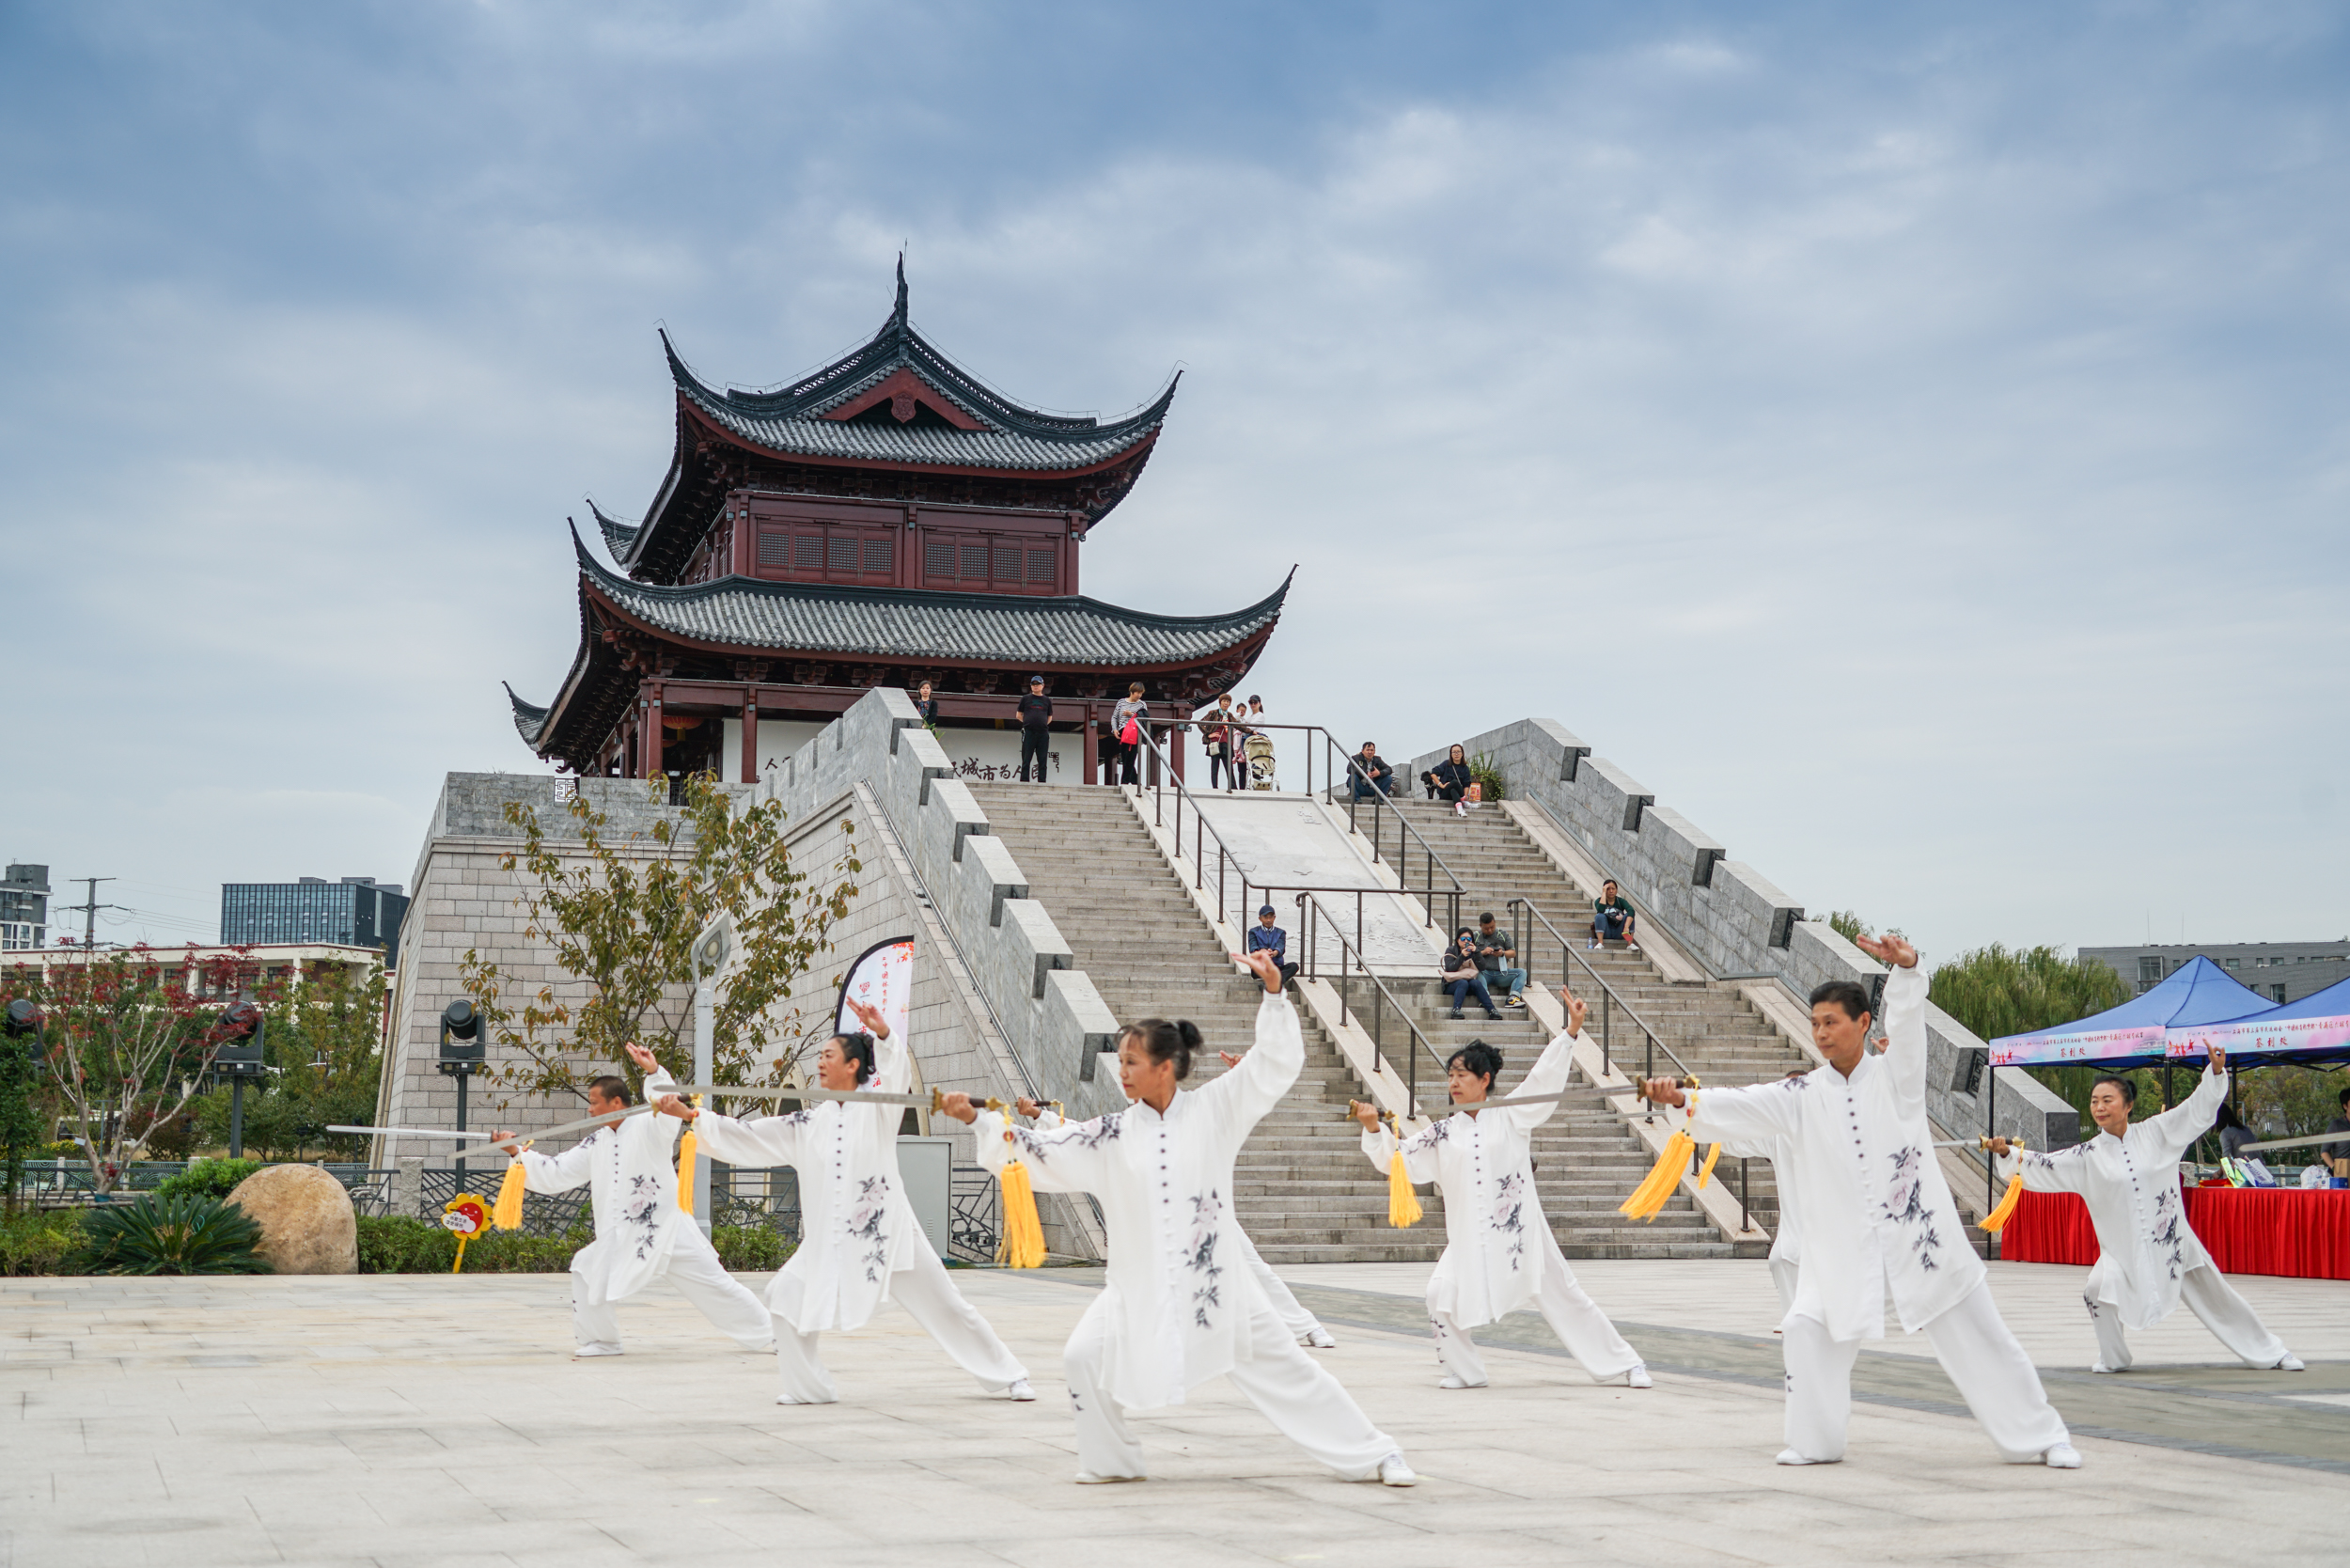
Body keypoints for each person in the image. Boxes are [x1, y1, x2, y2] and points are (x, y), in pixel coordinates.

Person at [939, 949, 1416, 1487]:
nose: (1121, 1073)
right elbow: (1042, 1149)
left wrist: (1275, 996)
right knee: (1081, 1358)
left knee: (1289, 1372)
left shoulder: (1215, 1109)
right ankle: (1111, 1461)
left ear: (1165, 1068)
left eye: (1131, 1063)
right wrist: (981, 1122)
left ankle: (1376, 1453)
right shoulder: (1112, 1133)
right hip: (1136, 1286)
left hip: (1218, 1285)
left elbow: (1272, 1066)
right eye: (1120, 1063)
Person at [1642, 933, 2079, 1469]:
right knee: (1805, 1327)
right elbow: (1741, 1103)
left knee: (1982, 1335)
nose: (1822, 1033)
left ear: (1864, 1023)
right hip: (1843, 1253)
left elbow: (1911, 1031)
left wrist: (1909, 970)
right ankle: (1814, 1442)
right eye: (1816, 1023)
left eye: (1832, 1022)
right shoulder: (1800, 1095)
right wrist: (1683, 1099)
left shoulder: (1898, 1081)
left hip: (1923, 1242)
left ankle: (2043, 1435)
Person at [649, 999, 1033, 1405]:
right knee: (783, 1297)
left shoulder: (878, 1111)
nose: (819, 1062)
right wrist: (693, 1116)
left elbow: (894, 1071)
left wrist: (883, 1035)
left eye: (828, 1055)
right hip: (828, 1243)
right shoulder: (808, 1123)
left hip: (890, 1236)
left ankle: (1011, 1376)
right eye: (819, 1056)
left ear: (852, 1066)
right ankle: (809, 1387)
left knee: (948, 1307)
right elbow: (748, 1135)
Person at [1354, 1008, 1651, 1392]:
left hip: (1521, 1234)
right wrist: (1375, 1128)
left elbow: (1542, 1079)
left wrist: (1570, 1033)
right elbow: (1400, 1160)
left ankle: (1627, 1363)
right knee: (1439, 1294)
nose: (1454, 1083)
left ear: (1485, 1079)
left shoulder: (1511, 1116)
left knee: (1566, 1296)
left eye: (1462, 1075)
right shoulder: (1442, 1132)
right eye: (1450, 1076)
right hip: (1467, 1237)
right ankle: (1467, 1371)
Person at [1991, 1048, 2301, 1375]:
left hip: (2174, 1244)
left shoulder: (2158, 1132)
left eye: (2107, 1100)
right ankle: (2114, 1357)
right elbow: (2043, 1164)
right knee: (2096, 1291)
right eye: (2095, 1101)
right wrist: (2008, 1153)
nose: (2099, 1107)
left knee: (2218, 1296)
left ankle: (2271, 1352)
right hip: (2121, 1250)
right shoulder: (2086, 1155)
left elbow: (2196, 1110)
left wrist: (2215, 1072)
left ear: (2128, 1106)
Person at [494, 1043, 774, 1360]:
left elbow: (665, 1110)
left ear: (616, 1102)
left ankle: (771, 1334)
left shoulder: (649, 1126)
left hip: (667, 1228)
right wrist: (517, 1152)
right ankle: (603, 1341)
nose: (590, 1109)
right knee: (587, 1269)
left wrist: (653, 1072)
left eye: (595, 1102)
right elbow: (558, 1171)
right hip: (622, 1236)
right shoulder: (595, 1142)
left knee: (716, 1283)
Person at [1716, 1071, 1809, 1318]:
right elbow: (1736, 1141)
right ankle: (1796, 1320)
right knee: (1780, 1259)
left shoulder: (1833, 1125)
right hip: (1796, 1230)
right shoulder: (1779, 1135)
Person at [1442, 927, 1501, 1021]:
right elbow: (1450, 968)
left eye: (1469, 939)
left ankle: (1492, 1010)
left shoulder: (1473, 952)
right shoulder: (1451, 950)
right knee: (1463, 983)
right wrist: (1461, 956)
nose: (1466, 941)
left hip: (1468, 983)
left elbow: (1482, 967)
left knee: (1476, 983)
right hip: (1451, 984)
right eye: (1463, 939)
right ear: (1457, 940)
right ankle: (1456, 1010)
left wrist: (1477, 952)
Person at [1472, 912, 1526, 1008]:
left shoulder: (1503, 934)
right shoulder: (1475, 936)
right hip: (1484, 973)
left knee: (1522, 972)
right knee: (1476, 973)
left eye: (1492, 927)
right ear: (1480, 926)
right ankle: (1485, 998)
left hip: (1501, 973)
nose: (1489, 930)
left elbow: (1513, 953)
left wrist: (1502, 953)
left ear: (1495, 923)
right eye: (1486, 928)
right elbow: (1469, 956)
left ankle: (1513, 998)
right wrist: (1483, 952)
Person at [1245, 904, 1300, 988]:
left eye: (1271, 917)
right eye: (1265, 917)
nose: (1268, 920)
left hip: (1276, 967)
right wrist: (1261, 952)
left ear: (1274, 918)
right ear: (1260, 919)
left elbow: (1280, 947)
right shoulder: (1253, 932)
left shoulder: (1281, 932)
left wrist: (1274, 953)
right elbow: (1253, 947)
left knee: (1294, 966)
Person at [1108, 682, 1148, 787]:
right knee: (1125, 757)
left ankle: (1126, 782)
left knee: (1131, 757)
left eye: (1141, 693)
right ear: (1131, 692)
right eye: (1137, 693)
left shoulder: (1142, 704)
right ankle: (1135, 782)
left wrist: (1131, 715)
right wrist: (1114, 729)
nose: (1139, 695)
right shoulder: (1121, 702)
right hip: (1123, 731)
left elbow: (1145, 719)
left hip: (1135, 733)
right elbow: (1115, 717)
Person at [1015, 675, 1053, 783]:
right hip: (1029, 732)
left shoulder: (1047, 700)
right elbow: (1018, 715)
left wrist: (1042, 724)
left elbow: (1050, 716)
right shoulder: (1025, 698)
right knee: (1026, 758)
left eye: (1038, 684)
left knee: (1042, 759)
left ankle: (1042, 781)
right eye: (1033, 684)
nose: (1035, 686)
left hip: (1043, 733)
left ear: (1043, 686)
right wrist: (1027, 722)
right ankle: (1024, 780)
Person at [1590, 880, 1639, 953]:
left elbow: (1631, 911)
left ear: (1616, 890)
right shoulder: (1599, 901)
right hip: (1606, 931)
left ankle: (1630, 944)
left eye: (1613, 889)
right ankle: (1600, 943)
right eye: (1608, 889)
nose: (1611, 891)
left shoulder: (1620, 901)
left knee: (1628, 916)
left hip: (1619, 931)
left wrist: (1626, 926)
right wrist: (1603, 893)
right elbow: (1601, 910)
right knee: (1599, 916)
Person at [1201, 696, 1239, 792]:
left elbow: (1239, 726)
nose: (1226, 703)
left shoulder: (1229, 716)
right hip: (1215, 743)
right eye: (1224, 701)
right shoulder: (1213, 713)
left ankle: (1233, 787)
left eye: (1228, 701)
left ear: (1230, 704)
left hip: (1226, 743)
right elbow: (1201, 723)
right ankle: (1215, 787)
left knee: (1229, 768)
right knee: (1215, 766)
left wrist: (1250, 731)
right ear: (1220, 702)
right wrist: (1209, 734)